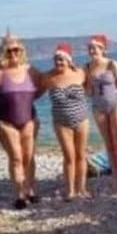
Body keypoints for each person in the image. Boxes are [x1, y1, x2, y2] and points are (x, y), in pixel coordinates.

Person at [0, 34, 42, 208]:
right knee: (16, 157)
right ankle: (19, 194)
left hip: (28, 120)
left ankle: (30, 189)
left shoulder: (30, 70)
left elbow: (46, 83)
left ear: (22, 51)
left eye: (16, 50)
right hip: (5, 122)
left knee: (29, 156)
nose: (13, 53)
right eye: (9, 50)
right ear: (3, 52)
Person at [38, 46, 91, 200]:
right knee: (69, 156)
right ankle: (70, 190)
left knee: (81, 154)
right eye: (56, 60)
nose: (58, 62)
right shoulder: (48, 77)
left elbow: (90, 88)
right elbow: (34, 93)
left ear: (68, 60)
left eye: (61, 59)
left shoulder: (80, 73)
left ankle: (82, 188)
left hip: (82, 119)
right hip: (61, 122)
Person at [84, 36, 117, 191]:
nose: (92, 51)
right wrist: (88, 87)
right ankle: (115, 180)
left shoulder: (112, 64)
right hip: (98, 107)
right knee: (109, 145)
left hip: (115, 104)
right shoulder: (87, 67)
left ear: (103, 49)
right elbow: (87, 91)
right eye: (90, 48)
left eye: (96, 48)